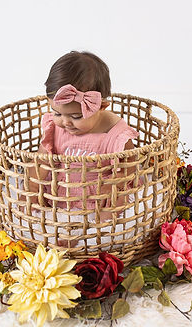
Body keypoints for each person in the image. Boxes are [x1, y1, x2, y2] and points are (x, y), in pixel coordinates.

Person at [26, 51, 140, 222]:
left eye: (76, 116)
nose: (65, 122)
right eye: (56, 113)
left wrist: (111, 198)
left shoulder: (116, 135)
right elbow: (40, 162)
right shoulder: (54, 128)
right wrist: (32, 190)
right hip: (60, 193)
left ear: (101, 107)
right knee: (41, 213)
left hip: (100, 196)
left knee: (117, 204)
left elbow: (126, 174)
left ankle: (99, 230)